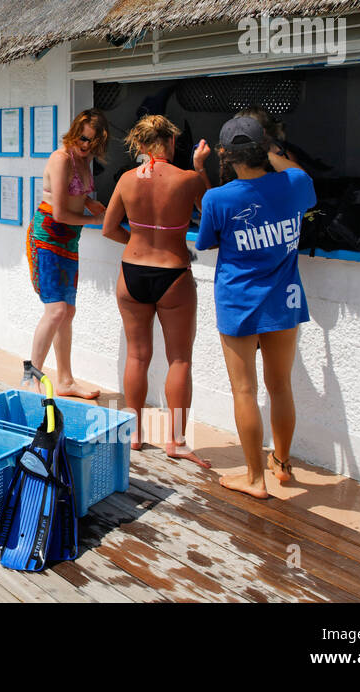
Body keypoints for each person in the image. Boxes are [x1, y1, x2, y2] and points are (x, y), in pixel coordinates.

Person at [195, 116, 316, 499]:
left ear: (226, 155)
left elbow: (206, 242)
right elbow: (297, 175)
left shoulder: (218, 198)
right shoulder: (295, 183)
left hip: (238, 301)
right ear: (263, 149)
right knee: (280, 387)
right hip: (284, 299)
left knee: (243, 391)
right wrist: (274, 153)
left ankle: (253, 478)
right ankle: (281, 464)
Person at [102, 115, 213, 466]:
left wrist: (134, 240)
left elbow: (108, 229)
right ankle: (177, 441)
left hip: (132, 272)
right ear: (171, 142)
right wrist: (200, 169)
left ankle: (133, 435)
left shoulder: (126, 179)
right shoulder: (188, 179)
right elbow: (212, 219)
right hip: (173, 273)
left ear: (141, 144)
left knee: (137, 356)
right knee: (178, 359)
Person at [22, 108, 106, 399]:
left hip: (70, 242)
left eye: (92, 143)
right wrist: (95, 220)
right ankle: (31, 374)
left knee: (67, 312)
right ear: (74, 132)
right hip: (47, 238)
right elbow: (59, 212)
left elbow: (76, 196)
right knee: (56, 310)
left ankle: (66, 380)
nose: (86, 146)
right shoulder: (60, 159)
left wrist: (91, 203)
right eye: (83, 139)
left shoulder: (84, 161)